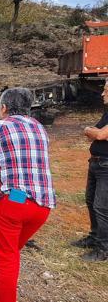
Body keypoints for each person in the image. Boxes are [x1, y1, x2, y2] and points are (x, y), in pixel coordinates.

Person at [0, 88, 56, 302]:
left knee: (6, 257)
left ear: (4, 107)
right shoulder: (39, 128)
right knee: (10, 252)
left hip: (13, 202)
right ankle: (1, 293)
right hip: (42, 206)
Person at [75, 81, 108, 262]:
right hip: (97, 163)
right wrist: (94, 132)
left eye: (105, 91)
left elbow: (100, 135)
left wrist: (90, 130)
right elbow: (96, 134)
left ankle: (103, 249)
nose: (102, 94)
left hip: (106, 166)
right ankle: (94, 237)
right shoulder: (106, 114)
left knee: (102, 207)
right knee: (91, 200)